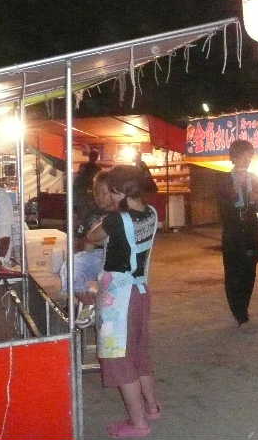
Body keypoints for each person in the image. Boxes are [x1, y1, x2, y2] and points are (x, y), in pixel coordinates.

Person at [86, 165, 161, 438]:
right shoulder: (151, 213)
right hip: (141, 292)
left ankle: (138, 423)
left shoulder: (116, 220)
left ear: (117, 191)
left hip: (119, 300)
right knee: (139, 354)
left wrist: (108, 216)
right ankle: (152, 407)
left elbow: (92, 237)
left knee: (120, 359)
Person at [216, 140, 258, 326]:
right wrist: (239, 194)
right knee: (233, 271)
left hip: (250, 229)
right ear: (235, 156)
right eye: (246, 155)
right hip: (233, 230)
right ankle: (238, 311)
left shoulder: (255, 178)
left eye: (251, 155)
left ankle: (244, 306)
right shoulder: (223, 180)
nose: (249, 159)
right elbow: (222, 207)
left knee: (249, 271)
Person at [65, 170, 116, 328]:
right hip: (94, 255)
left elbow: (92, 239)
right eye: (96, 192)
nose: (98, 197)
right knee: (70, 268)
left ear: (115, 193)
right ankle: (89, 302)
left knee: (79, 268)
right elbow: (85, 242)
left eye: (103, 193)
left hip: (113, 257)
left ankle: (91, 302)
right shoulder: (91, 213)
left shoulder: (118, 215)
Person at [74, 149, 102, 220]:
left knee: (84, 211)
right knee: (85, 211)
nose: (94, 158)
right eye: (93, 156)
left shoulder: (95, 168)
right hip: (86, 192)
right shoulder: (96, 168)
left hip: (85, 193)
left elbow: (78, 178)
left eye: (95, 156)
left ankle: (82, 224)